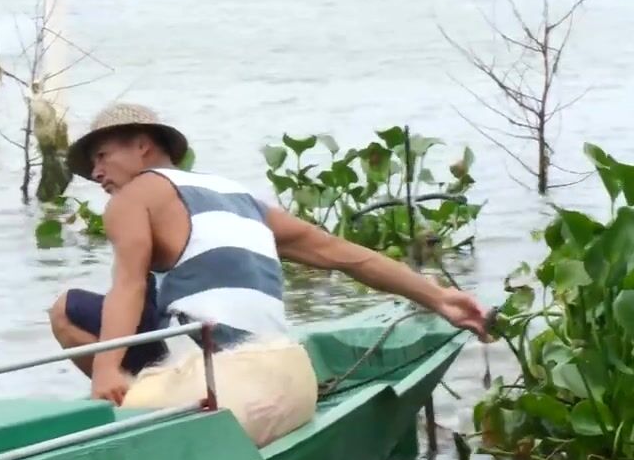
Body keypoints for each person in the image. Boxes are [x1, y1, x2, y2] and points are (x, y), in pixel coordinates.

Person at [49, 101, 490, 406]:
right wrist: (439, 298)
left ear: (142, 145)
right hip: (284, 368)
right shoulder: (238, 196)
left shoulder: (132, 198)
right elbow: (343, 254)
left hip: (211, 370)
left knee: (66, 311)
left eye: (102, 156)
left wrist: (105, 371)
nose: (97, 173)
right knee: (154, 290)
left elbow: (126, 286)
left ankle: (127, 403)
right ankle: (141, 389)